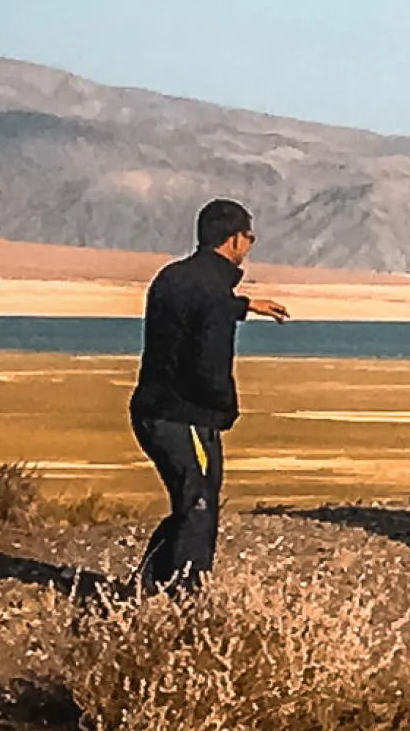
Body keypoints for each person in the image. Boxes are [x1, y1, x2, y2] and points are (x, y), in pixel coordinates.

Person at [130, 198, 291, 591]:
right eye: (250, 237)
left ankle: (148, 587)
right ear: (234, 240)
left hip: (154, 409)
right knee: (198, 505)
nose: (251, 245)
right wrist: (222, 411)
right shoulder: (213, 291)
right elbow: (210, 359)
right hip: (185, 415)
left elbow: (195, 310)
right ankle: (184, 600)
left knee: (190, 500)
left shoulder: (175, 276)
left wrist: (245, 305)